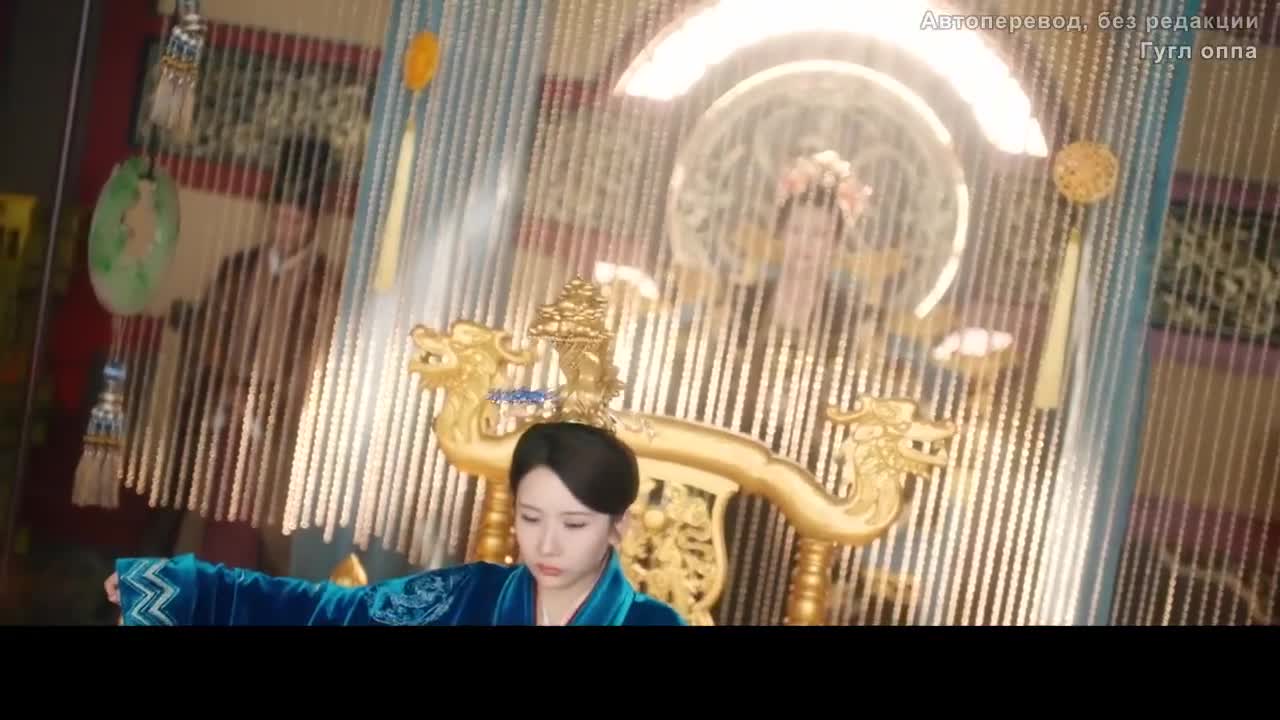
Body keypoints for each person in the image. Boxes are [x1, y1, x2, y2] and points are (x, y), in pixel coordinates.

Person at [103, 421, 687, 626]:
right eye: (531, 518)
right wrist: (187, 588)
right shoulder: (469, 595)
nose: (547, 544)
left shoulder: (655, 624)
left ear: (618, 527)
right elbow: (331, 612)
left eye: (575, 525)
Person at [164, 134, 342, 572]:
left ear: (312, 223)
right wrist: (225, 387)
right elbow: (206, 333)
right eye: (279, 217)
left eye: (295, 221)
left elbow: (320, 363)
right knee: (201, 520)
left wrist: (265, 405)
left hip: (276, 433)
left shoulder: (326, 285)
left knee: (262, 534)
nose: (285, 230)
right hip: (222, 412)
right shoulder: (237, 267)